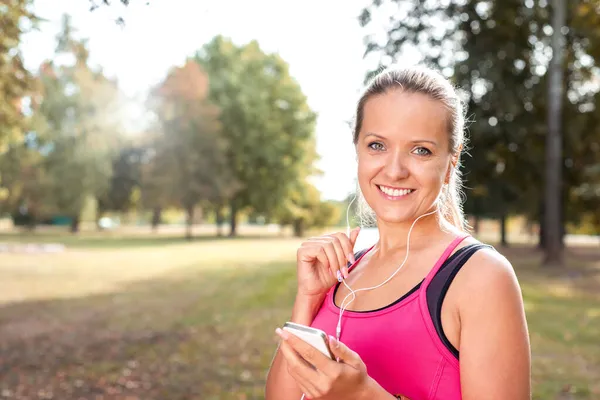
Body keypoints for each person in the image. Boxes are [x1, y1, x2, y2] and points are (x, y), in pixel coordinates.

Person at [265, 66, 531, 400]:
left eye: (421, 150)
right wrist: (308, 299)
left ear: (451, 162)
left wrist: (363, 395)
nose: (394, 170)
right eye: (377, 145)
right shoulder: (344, 268)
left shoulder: (480, 277)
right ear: (358, 149)